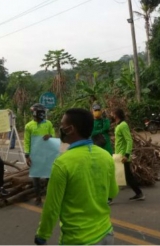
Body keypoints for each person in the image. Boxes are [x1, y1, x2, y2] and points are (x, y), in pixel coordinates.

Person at [34, 108, 118, 245]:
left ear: (71, 129)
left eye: (62, 125)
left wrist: (42, 235)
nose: (60, 128)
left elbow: (52, 207)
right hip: (106, 235)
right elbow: (112, 192)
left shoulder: (62, 164)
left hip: (77, 240)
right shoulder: (106, 156)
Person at [111, 108, 145, 201]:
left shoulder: (123, 125)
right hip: (119, 155)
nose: (111, 115)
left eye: (112, 113)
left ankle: (109, 198)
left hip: (122, 156)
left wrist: (126, 154)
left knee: (116, 176)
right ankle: (139, 193)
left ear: (116, 115)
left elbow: (129, 140)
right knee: (128, 177)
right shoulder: (118, 125)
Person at [24, 103, 55, 205]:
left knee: (49, 177)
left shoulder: (48, 124)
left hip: (46, 154)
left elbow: (53, 136)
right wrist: (27, 156)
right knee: (36, 177)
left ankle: (49, 196)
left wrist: (49, 136)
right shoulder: (29, 126)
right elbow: (27, 141)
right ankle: (38, 197)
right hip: (35, 155)